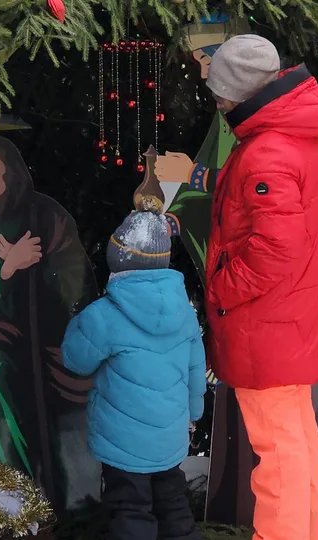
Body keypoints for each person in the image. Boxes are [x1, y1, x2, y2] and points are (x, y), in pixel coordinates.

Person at [202, 35, 318, 540]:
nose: (215, 102)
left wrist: (222, 289)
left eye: (218, 93)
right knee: (296, 443)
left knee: (278, 458)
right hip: (293, 317)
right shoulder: (293, 133)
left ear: (236, 94)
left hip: (268, 324)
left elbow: (276, 249)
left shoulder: (267, 152)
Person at [0, 136, 100, 510]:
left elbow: (77, 282)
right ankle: (0, 499)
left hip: (49, 342)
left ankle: (54, 502)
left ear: (12, 177)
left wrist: (39, 273)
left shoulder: (46, 216)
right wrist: (7, 268)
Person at [61, 205, 206, 540]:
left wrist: (77, 321)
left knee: (129, 509)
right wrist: (194, 413)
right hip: (169, 438)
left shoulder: (105, 315)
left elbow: (75, 360)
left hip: (122, 442)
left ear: (118, 259)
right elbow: (195, 368)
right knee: (173, 503)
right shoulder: (184, 313)